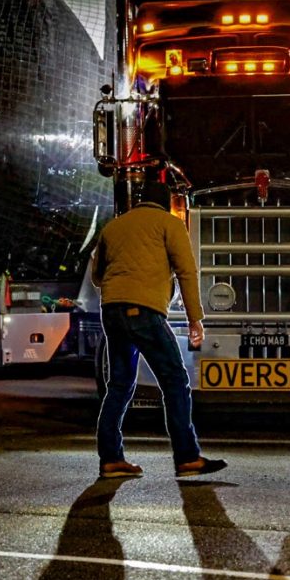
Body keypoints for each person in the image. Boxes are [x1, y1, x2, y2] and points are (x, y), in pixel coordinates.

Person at [91, 178, 225, 479]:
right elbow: (186, 271)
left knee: (120, 385)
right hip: (145, 311)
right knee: (175, 381)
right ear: (166, 204)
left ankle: (111, 459)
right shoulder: (168, 224)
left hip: (111, 310)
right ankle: (187, 457)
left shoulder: (114, 227)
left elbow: (97, 275)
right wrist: (195, 319)